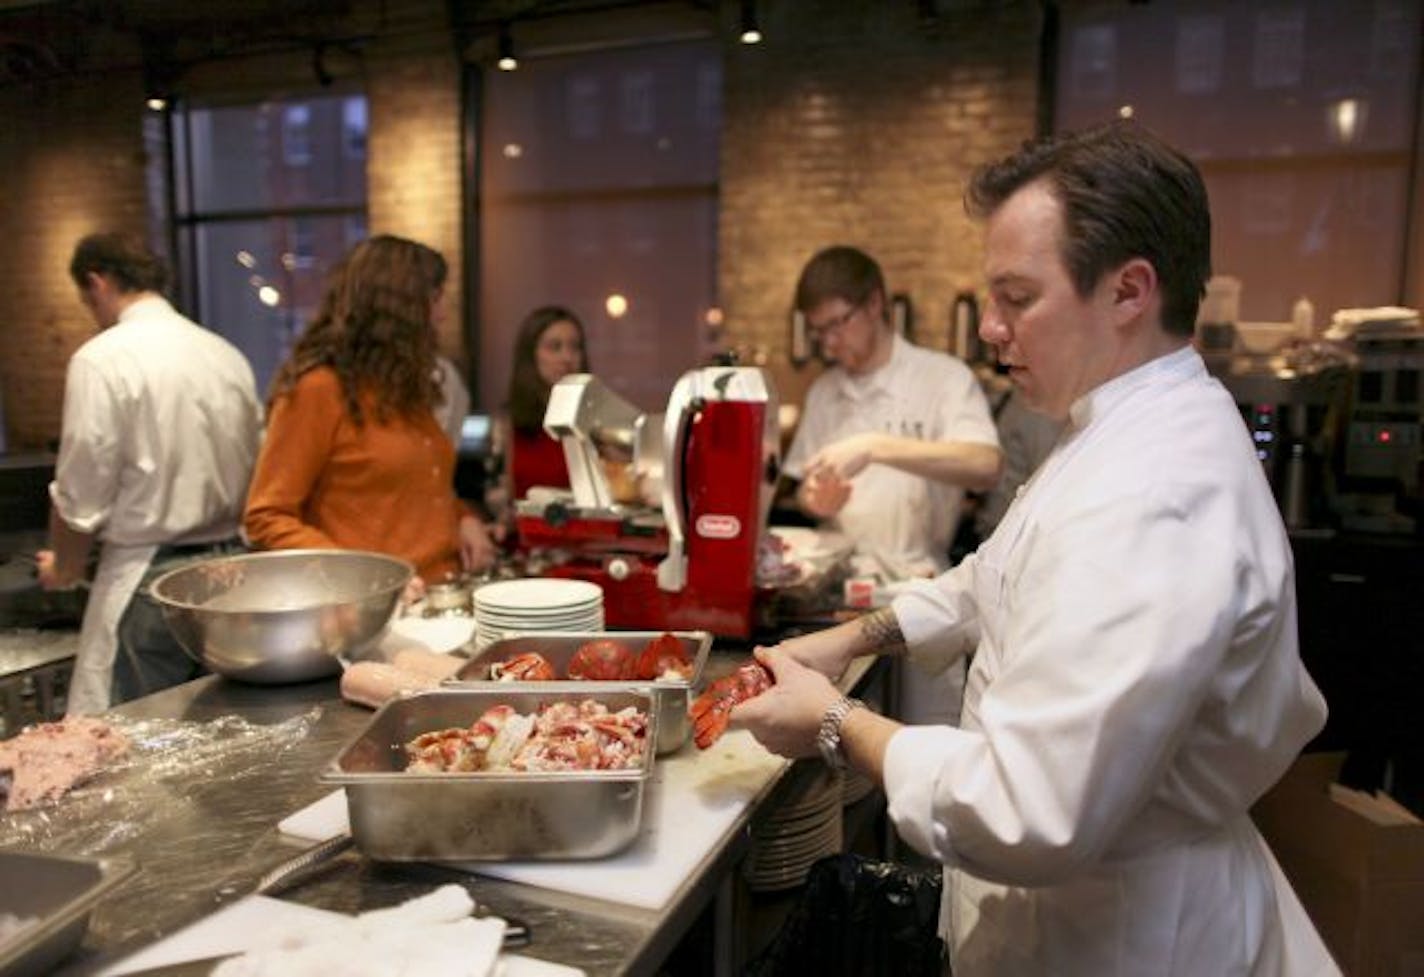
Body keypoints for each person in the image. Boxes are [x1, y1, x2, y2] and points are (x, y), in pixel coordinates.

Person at [733, 122, 1337, 976]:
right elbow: (995, 573)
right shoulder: (1110, 426)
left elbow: (1026, 807)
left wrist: (836, 722)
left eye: (1017, 298)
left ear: (1129, 290)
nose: (989, 328)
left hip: (1125, 936)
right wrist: (851, 638)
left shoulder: (1152, 490)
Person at [38, 232, 262, 715]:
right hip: (233, 574)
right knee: (217, 735)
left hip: (149, 580)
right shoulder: (224, 354)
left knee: (127, 744)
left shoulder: (102, 358)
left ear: (97, 282)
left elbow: (81, 494)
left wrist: (63, 567)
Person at [783, 245, 1002, 726]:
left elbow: (985, 464)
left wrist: (877, 446)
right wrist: (815, 500)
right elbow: (804, 491)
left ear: (876, 303)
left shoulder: (942, 377)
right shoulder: (824, 391)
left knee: (922, 748)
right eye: (818, 330)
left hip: (919, 588)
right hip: (843, 597)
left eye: (837, 323)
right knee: (845, 744)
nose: (828, 342)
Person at [244, 235, 497, 586]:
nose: (442, 315)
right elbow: (267, 516)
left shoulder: (402, 386)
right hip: (373, 611)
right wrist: (362, 579)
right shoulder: (319, 389)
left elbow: (420, 490)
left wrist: (464, 518)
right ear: (401, 309)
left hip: (440, 594)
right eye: (435, 299)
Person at [494, 305, 589, 506]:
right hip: (527, 532)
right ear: (531, 355)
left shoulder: (593, 420)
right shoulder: (509, 421)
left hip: (585, 534)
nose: (567, 358)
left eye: (575, 347)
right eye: (554, 347)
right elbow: (506, 497)